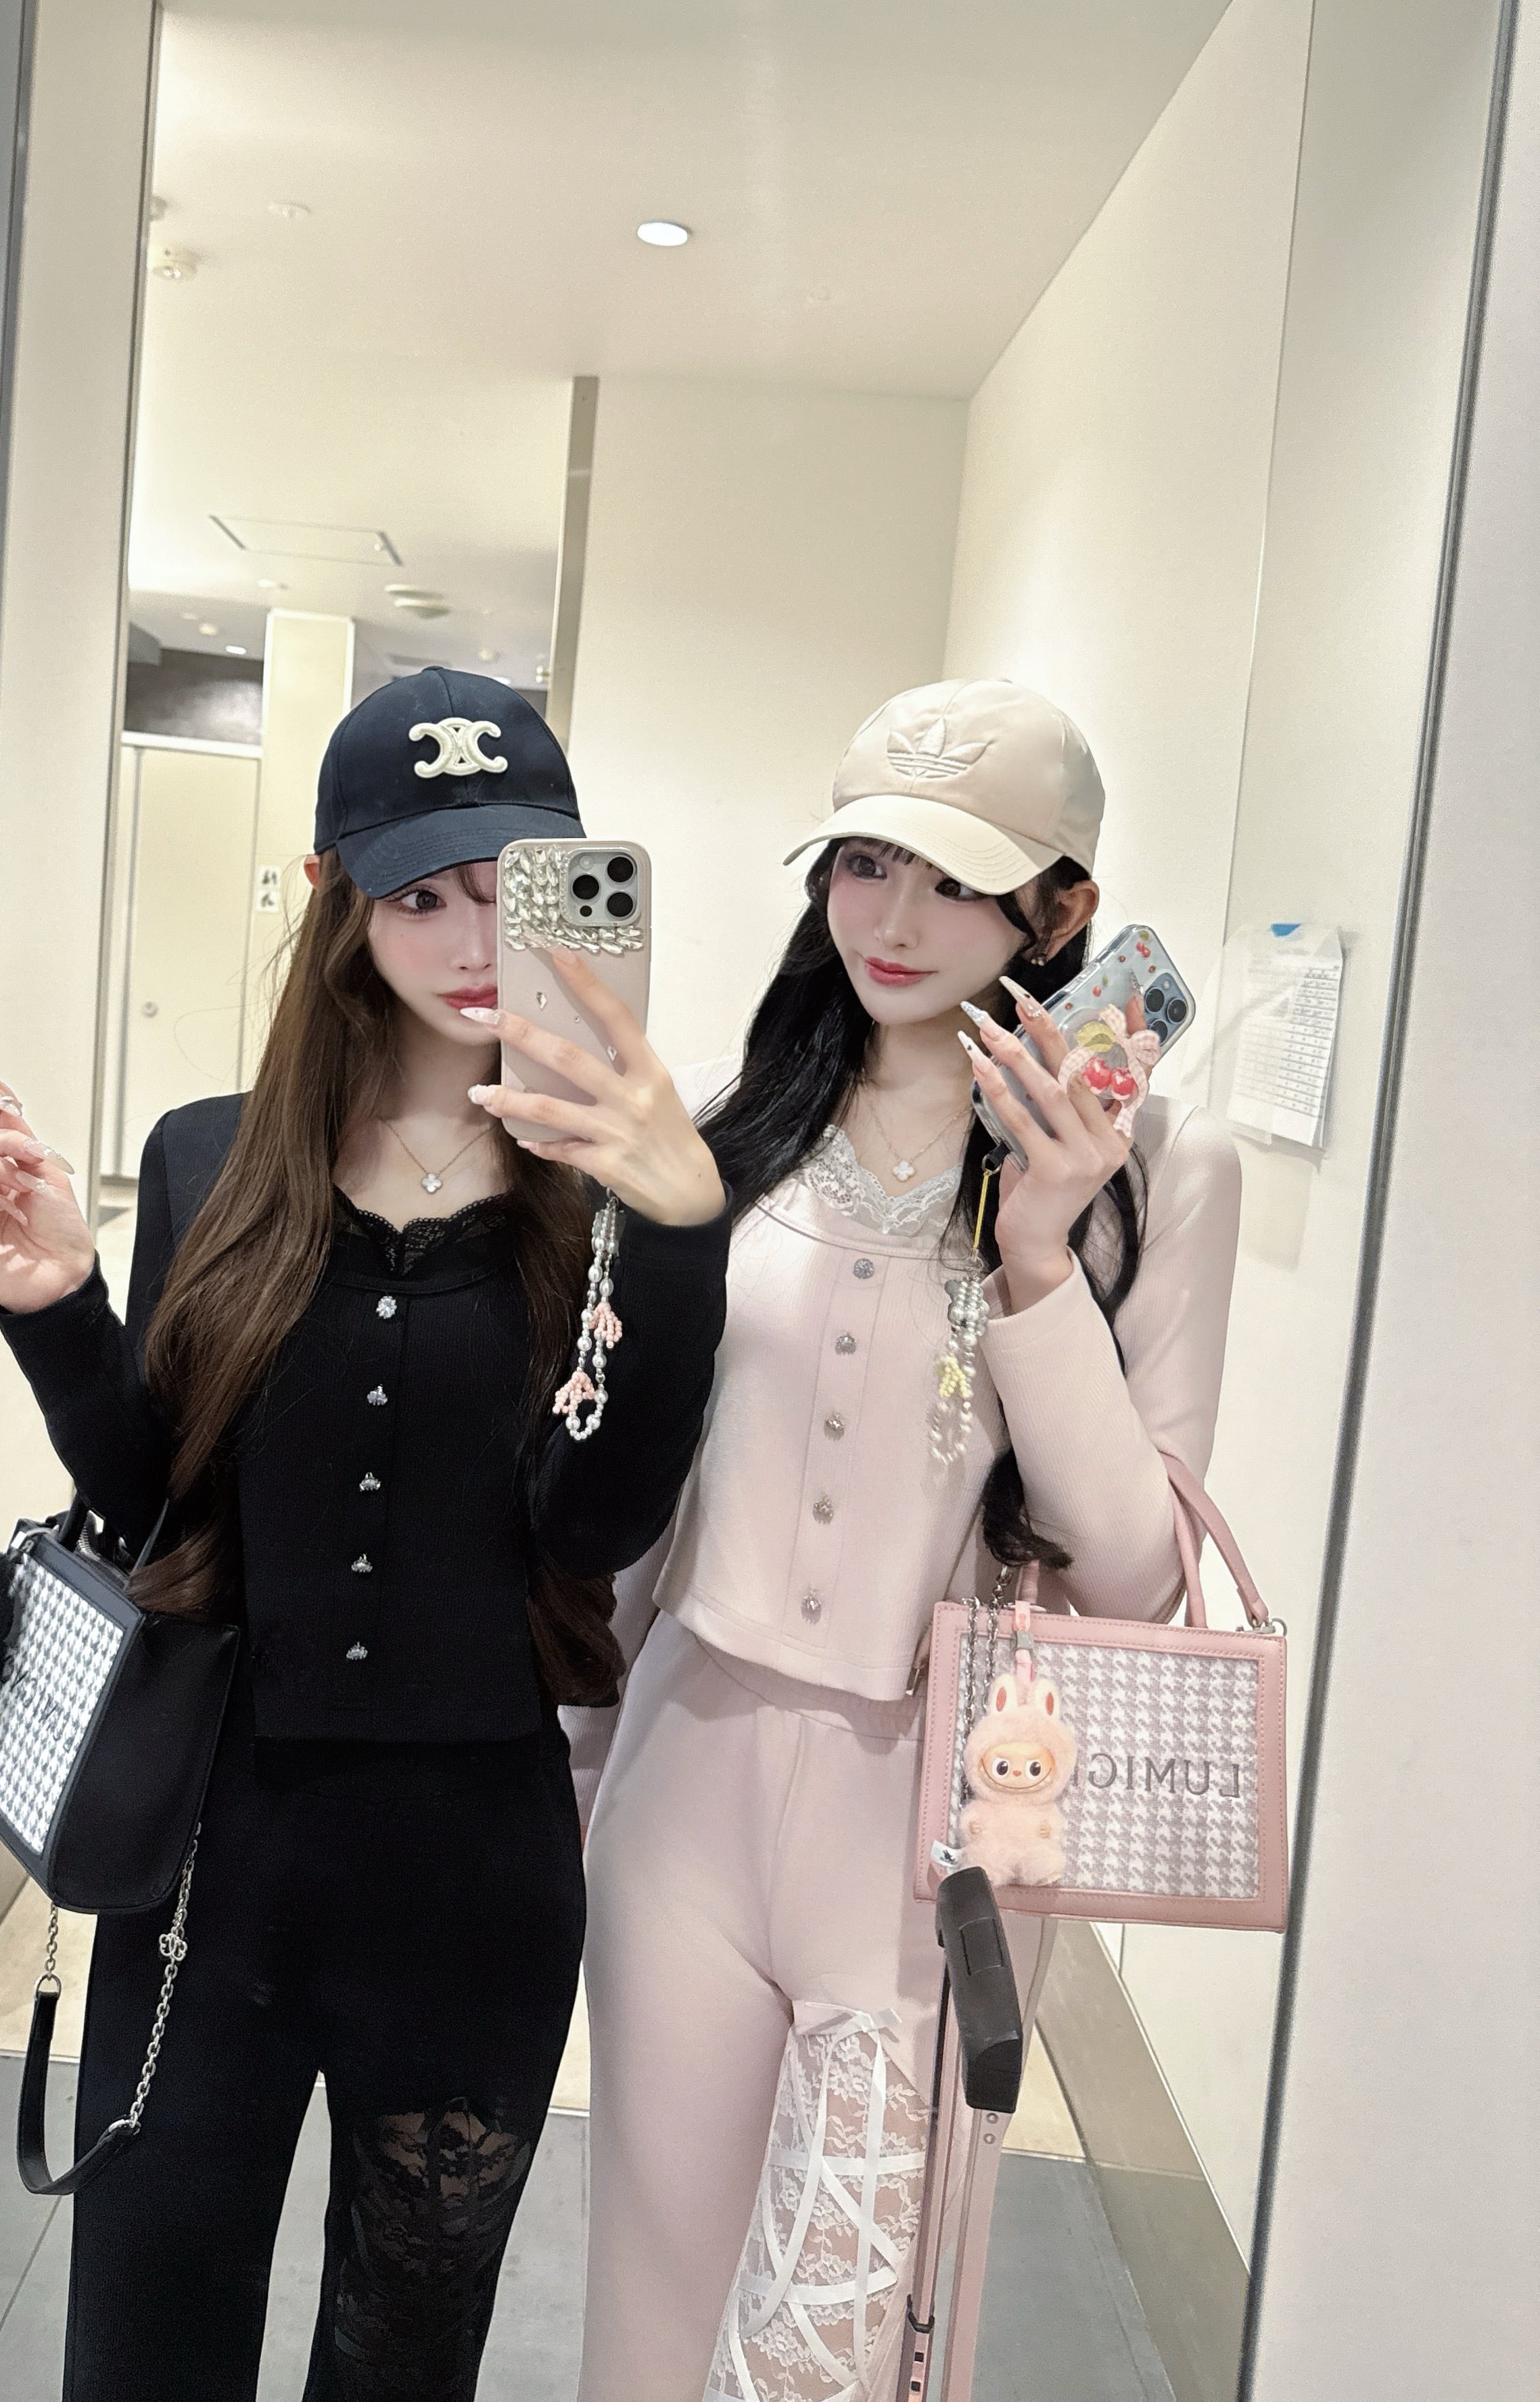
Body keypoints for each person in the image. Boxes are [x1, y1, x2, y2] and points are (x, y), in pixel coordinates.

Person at [0, 668, 728, 2402]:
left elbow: (598, 1524)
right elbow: (157, 1509)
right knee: (143, 2348)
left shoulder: (603, 1190)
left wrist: (677, 1233)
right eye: (419, 893)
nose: (471, 940)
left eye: (509, 887)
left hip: (471, 1887)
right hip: (210, 1871)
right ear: (334, 900)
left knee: (402, 2364)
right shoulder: (211, 1159)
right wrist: (58, 1306)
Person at [571, 678, 1242, 2402]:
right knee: (644, 2313)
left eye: (955, 882)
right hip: (681, 1783)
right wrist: (569, 1761)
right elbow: (642, 1494)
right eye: (864, 864)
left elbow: (1135, 1574)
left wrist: (1036, 1259)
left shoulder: (1159, 1168)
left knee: (844, 2347)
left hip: (934, 1836)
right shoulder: (726, 1118)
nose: (891, 920)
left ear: (1062, 911)